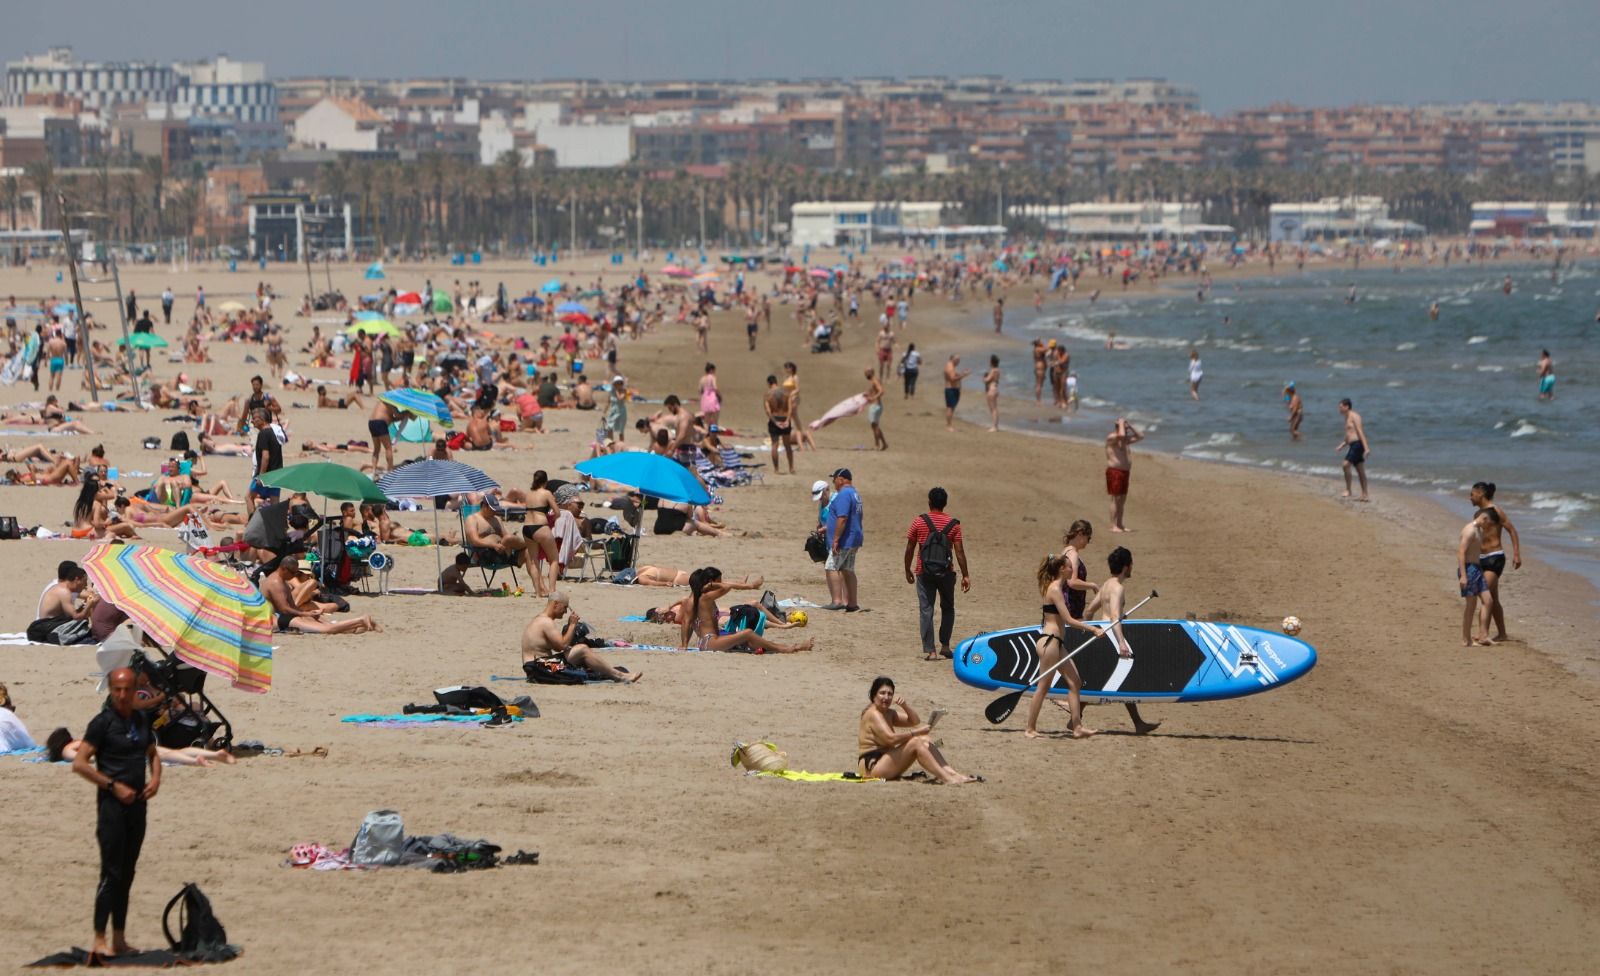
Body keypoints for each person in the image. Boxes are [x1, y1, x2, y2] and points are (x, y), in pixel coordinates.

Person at [71, 667, 160, 962]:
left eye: (127, 690)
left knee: (128, 872)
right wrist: (112, 786)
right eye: (117, 690)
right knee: (111, 872)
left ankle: (119, 938)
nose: (122, 695)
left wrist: (156, 779)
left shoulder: (140, 719)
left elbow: (152, 753)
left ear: (136, 690)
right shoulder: (101, 723)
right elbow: (81, 764)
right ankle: (99, 938)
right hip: (111, 807)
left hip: (138, 805)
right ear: (110, 690)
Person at [1025, 552, 1106, 739]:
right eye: (1070, 567)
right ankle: (1030, 728)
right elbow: (1068, 620)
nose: (1072, 569)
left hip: (1056, 644)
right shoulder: (1054, 589)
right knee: (1043, 687)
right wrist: (1092, 629)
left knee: (1075, 682)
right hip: (1050, 643)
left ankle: (1077, 727)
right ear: (1062, 569)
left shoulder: (1057, 588)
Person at [1083, 546, 1160, 734]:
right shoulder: (1117, 588)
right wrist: (1121, 643)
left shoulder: (1106, 585)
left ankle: (1138, 723)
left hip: (1103, 634)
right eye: (1132, 564)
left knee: (1118, 679)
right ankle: (1074, 717)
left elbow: (1088, 611)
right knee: (1121, 678)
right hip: (1111, 637)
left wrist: (1090, 630)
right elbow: (1115, 616)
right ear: (1126, 567)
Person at [856, 676, 976, 784]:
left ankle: (953, 774)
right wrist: (916, 732)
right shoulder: (874, 714)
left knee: (925, 739)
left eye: (890, 694)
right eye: (882, 693)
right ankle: (947, 778)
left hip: (886, 762)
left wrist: (905, 706)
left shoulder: (888, 713)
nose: (886, 697)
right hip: (872, 768)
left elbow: (914, 721)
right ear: (873, 695)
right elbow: (891, 739)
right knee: (916, 741)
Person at [904, 487, 969, 661]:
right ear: (945, 503)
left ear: (929, 502)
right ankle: (946, 646)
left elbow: (910, 547)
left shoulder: (920, 521)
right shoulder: (954, 524)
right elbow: (959, 551)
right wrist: (965, 575)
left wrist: (907, 569)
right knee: (948, 608)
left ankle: (931, 650)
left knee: (926, 610)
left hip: (924, 572)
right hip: (946, 572)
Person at [679, 568, 812, 653]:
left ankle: (789, 647)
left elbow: (688, 622)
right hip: (709, 642)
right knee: (747, 633)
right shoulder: (704, 598)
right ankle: (789, 648)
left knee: (746, 638)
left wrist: (684, 644)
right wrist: (684, 645)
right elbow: (727, 587)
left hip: (710, 640)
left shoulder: (697, 600)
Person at [522, 591, 641, 682]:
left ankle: (613, 672)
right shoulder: (545, 622)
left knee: (578, 652)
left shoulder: (540, 620)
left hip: (537, 667)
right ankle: (619, 676)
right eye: (565, 607)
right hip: (539, 668)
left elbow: (558, 646)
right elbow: (561, 646)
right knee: (582, 649)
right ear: (555, 604)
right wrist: (573, 625)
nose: (565, 612)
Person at [261, 558, 380, 634]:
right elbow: (284, 608)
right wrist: (305, 614)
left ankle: (360, 622)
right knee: (327, 628)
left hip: (282, 618)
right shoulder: (275, 582)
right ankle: (359, 622)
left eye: (296, 573)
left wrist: (308, 614)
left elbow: (290, 606)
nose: (294, 576)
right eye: (293, 573)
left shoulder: (281, 580)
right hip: (277, 619)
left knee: (326, 626)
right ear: (283, 569)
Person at [1470, 482, 1522, 643]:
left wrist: (1516, 554)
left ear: (1480, 494)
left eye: (1472, 494)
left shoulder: (1496, 511)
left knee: (1483, 592)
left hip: (1495, 558)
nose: (1470, 498)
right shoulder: (1477, 514)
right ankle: (1502, 634)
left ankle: (1482, 633)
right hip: (1482, 559)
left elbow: (1511, 530)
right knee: (1493, 597)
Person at [824, 468, 864, 612]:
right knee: (848, 569)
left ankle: (837, 600)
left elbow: (842, 518)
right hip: (854, 538)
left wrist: (836, 539)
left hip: (845, 540)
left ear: (840, 479)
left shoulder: (844, 494)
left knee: (831, 566)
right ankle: (852, 603)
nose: (833, 483)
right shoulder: (855, 494)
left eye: (834, 479)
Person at [1458, 508, 1499, 647]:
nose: (1489, 528)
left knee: (1488, 600)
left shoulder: (1479, 531)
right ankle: (1466, 639)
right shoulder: (1470, 530)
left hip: (1477, 569)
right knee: (1471, 606)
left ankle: (1483, 636)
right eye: (1490, 524)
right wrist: (1463, 575)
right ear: (1485, 519)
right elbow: (1461, 552)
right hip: (1468, 569)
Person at [1105, 418, 1142, 533]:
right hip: (1115, 471)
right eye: (1124, 428)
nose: (1126, 431)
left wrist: (1130, 425)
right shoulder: (1112, 438)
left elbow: (1140, 436)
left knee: (1122, 499)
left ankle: (1120, 524)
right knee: (1115, 499)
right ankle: (1113, 525)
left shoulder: (1125, 440)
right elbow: (1120, 435)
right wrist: (1121, 422)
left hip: (1125, 472)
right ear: (1118, 427)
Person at [1336, 398, 1370, 501]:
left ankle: (1348, 490)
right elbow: (1349, 435)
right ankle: (1365, 495)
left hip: (1358, 444)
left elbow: (1360, 432)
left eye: (1341, 407)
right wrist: (1342, 445)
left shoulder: (1355, 416)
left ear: (1347, 407)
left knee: (1345, 465)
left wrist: (1366, 448)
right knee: (1360, 470)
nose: (1339, 409)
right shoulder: (1346, 418)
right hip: (1352, 445)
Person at [763, 374, 795, 474]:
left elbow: (768, 411)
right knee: (787, 445)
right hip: (785, 418)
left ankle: (776, 469)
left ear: (769, 383)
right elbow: (790, 409)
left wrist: (775, 422)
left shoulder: (767, 395)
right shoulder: (786, 393)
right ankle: (791, 468)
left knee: (774, 445)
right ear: (776, 382)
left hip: (775, 419)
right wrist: (787, 420)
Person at [942, 355, 970, 432]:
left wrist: (961, 373)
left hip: (952, 389)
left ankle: (949, 425)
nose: (958, 362)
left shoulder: (950, 366)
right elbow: (952, 379)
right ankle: (948, 426)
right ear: (952, 359)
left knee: (951, 408)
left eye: (959, 360)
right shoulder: (950, 367)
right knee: (950, 408)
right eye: (957, 360)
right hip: (951, 389)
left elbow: (954, 376)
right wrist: (964, 375)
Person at [863, 367, 888, 450]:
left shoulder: (874, 381)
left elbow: (882, 391)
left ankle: (877, 445)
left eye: (866, 373)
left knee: (875, 426)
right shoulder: (874, 381)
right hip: (877, 405)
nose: (865, 375)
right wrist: (868, 394)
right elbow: (875, 391)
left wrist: (873, 398)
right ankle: (884, 444)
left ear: (870, 372)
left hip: (875, 406)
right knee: (875, 426)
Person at [699, 362, 721, 427]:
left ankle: (706, 433)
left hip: (705, 399)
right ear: (711, 370)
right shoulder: (712, 377)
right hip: (712, 398)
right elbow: (715, 387)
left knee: (706, 420)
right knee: (715, 420)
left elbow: (700, 390)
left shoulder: (702, 379)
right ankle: (713, 435)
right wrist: (719, 395)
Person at [982, 355, 1001, 432]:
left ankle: (994, 427)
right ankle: (995, 425)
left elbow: (987, 380)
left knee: (993, 409)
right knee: (994, 408)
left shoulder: (993, 370)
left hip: (992, 389)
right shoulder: (998, 370)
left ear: (992, 362)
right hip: (995, 388)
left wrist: (984, 378)